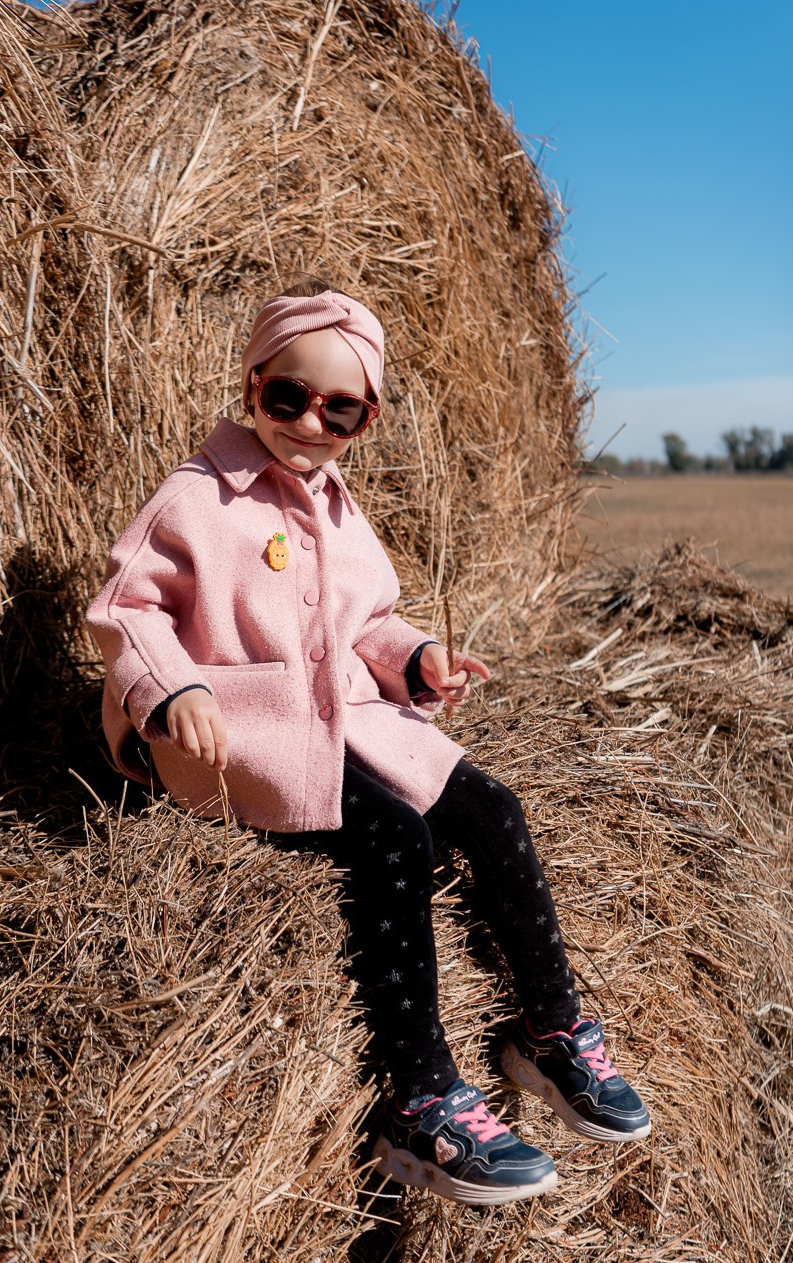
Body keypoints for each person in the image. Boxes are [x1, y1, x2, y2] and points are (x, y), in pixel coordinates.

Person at [86, 282, 650, 1207]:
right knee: (396, 839)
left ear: (367, 418)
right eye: (288, 398)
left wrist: (419, 660)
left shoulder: (342, 508)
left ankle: (552, 1034)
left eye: (339, 409)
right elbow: (125, 610)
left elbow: (369, 624)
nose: (311, 423)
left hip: (344, 715)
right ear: (253, 384)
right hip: (234, 733)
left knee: (493, 808)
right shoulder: (195, 497)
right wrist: (171, 687)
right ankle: (418, 1100)